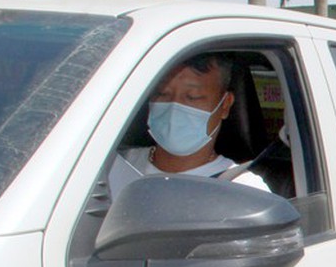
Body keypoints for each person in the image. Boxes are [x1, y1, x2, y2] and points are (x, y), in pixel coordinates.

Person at [115, 53, 268, 190]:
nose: (175, 107)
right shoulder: (113, 166)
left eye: (193, 97)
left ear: (225, 105)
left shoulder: (244, 190)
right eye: (162, 94)